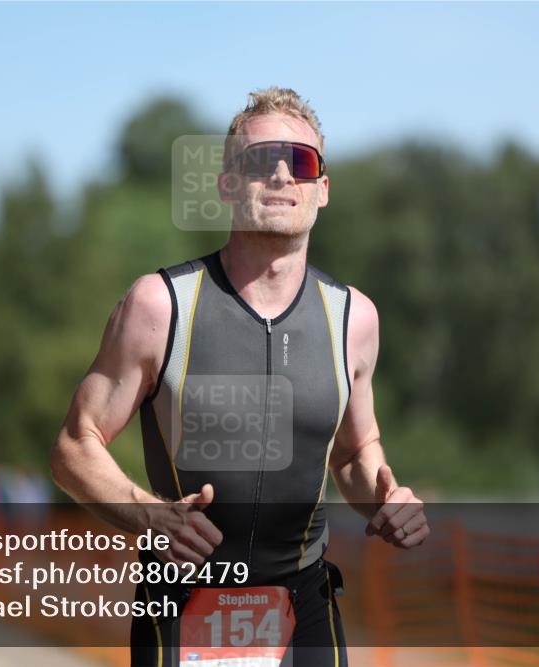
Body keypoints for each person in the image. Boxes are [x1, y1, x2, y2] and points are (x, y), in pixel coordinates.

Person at [51, 86, 429, 666]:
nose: (281, 174)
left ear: (322, 189)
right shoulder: (160, 305)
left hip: (303, 603)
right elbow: (76, 444)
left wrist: (387, 495)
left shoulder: (354, 318)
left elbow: (355, 452)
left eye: (300, 162)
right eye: (259, 160)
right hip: (182, 603)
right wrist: (147, 515)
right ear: (227, 183)